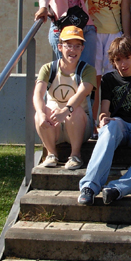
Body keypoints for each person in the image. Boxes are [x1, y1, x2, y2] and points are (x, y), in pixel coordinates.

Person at [78, 36, 131, 206]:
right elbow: (104, 111)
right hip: (119, 125)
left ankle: (117, 189)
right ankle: (89, 187)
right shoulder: (109, 79)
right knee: (110, 127)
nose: (123, 63)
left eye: (126, 58)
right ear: (113, 62)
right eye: (118, 60)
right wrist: (103, 119)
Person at [34, 26, 96, 170]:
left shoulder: (87, 70)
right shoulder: (48, 68)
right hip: (54, 126)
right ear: (60, 47)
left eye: (77, 46)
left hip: (79, 126)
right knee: (40, 114)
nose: (72, 50)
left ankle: (75, 155)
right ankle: (51, 153)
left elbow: (82, 92)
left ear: (82, 49)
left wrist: (66, 110)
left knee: (76, 111)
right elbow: (38, 93)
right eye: (68, 46)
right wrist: (41, 112)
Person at [84, 0, 131, 125]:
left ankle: (110, 120)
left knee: (112, 81)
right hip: (93, 35)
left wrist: (126, 37)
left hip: (115, 36)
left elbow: (125, 11)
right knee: (93, 82)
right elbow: (82, 6)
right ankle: (92, 124)